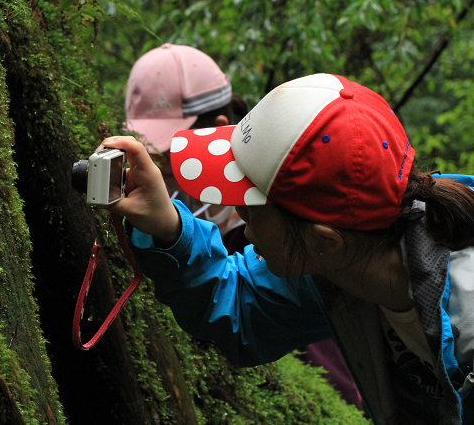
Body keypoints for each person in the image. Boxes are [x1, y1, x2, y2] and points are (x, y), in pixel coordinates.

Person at [98, 73, 474, 424]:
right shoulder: (350, 260)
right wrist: (169, 227)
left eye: (251, 207)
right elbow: (240, 305)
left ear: (325, 241)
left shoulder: (467, 325)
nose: (238, 216)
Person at [124, 43, 242, 236]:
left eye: (169, 144)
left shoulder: (257, 208)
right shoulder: (150, 198)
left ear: (218, 128)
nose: (155, 156)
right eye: (144, 142)